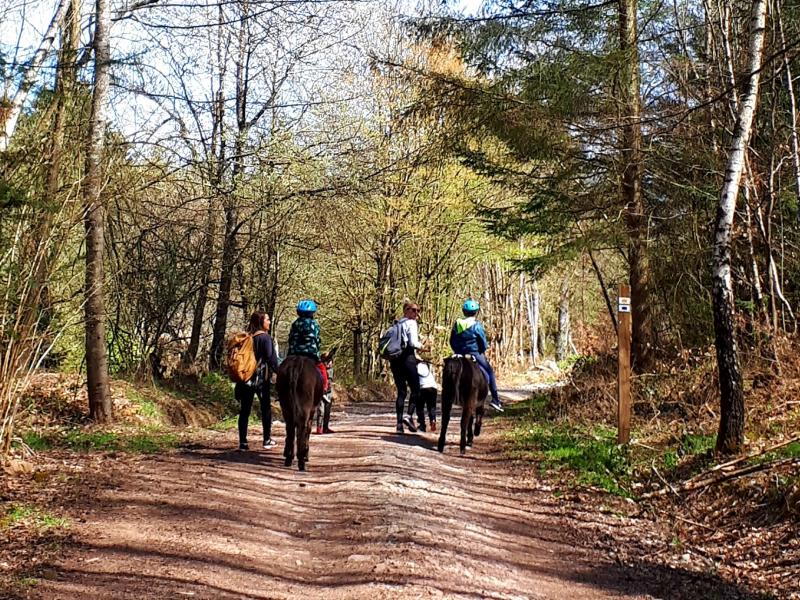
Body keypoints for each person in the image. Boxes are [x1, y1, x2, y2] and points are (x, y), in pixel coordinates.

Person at [236, 310, 280, 451]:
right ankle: (266, 439)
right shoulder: (266, 338)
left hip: (245, 378)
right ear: (261, 322)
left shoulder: (248, 338)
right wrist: (280, 372)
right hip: (261, 379)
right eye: (267, 319)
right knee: (265, 408)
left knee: (244, 410)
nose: (269, 322)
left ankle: (243, 442)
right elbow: (271, 359)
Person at [449, 299, 503, 412]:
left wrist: (456, 351)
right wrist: (481, 351)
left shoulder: (457, 324)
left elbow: (452, 341)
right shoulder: (477, 326)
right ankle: (495, 400)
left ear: (463, 311)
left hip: (459, 354)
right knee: (490, 373)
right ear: (476, 312)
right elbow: (483, 343)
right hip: (474, 353)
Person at [389, 301, 426, 434]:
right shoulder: (411, 323)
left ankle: (399, 425)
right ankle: (409, 415)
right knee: (416, 389)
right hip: (407, 359)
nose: (416, 313)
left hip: (395, 360)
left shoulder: (397, 324)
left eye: (418, 310)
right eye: (413, 310)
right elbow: (413, 343)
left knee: (401, 392)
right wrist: (423, 347)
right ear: (406, 310)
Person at [287, 299, 328, 392]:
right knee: (322, 369)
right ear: (312, 313)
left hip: (294, 354)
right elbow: (318, 341)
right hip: (311, 354)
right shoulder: (314, 324)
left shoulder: (295, 324)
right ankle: (324, 388)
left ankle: (279, 389)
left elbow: (290, 338)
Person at [410, 360, 437, 432]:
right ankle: (433, 420)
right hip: (433, 387)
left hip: (422, 388)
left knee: (420, 407)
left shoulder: (414, 367)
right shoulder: (426, 366)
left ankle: (422, 425)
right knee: (431, 407)